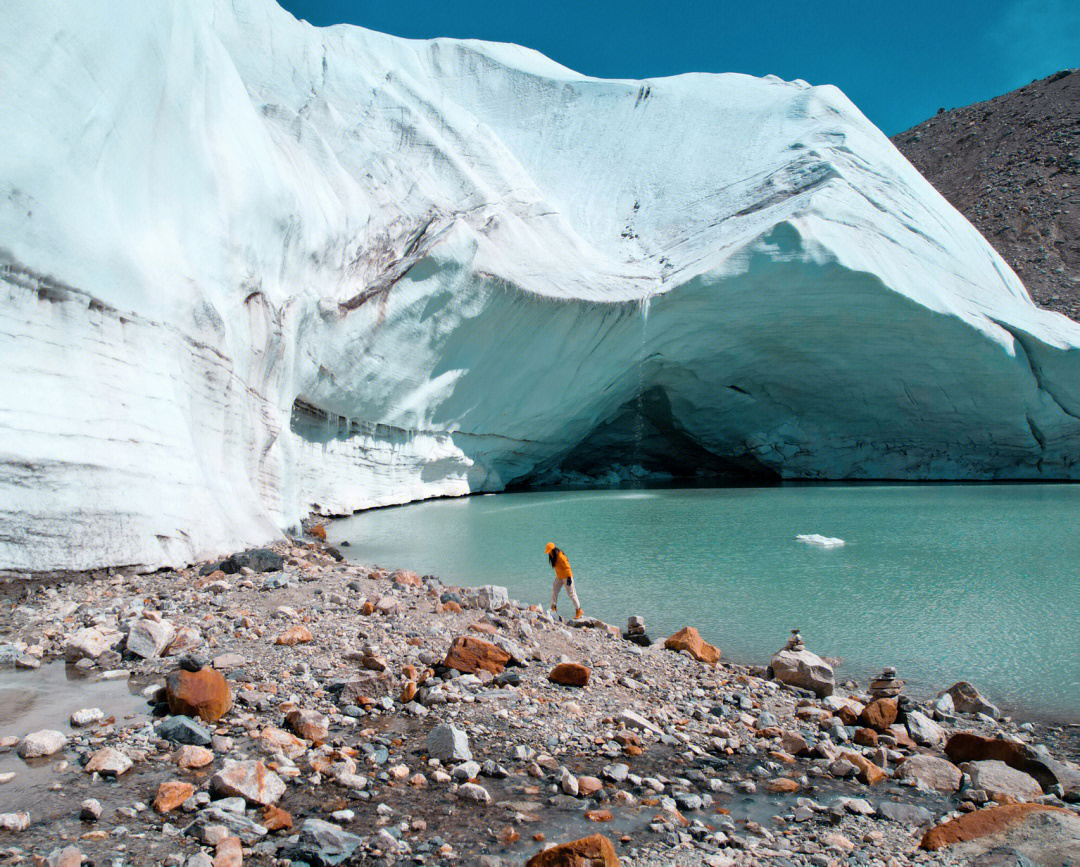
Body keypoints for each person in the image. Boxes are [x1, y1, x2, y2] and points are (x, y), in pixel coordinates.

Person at [545, 542, 583, 620]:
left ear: (552, 550)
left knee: (571, 593)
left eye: (549, 551)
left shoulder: (561, 556)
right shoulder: (553, 556)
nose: (548, 553)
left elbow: (567, 567)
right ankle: (553, 608)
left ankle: (579, 610)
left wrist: (569, 578)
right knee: (554, 590)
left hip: (566, 577)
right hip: (559, 576)